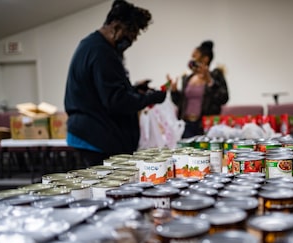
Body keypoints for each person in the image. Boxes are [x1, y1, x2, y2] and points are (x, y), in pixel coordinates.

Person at [64, 0, 166, 167]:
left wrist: (133, 90)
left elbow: (101, 91)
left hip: (89, 133)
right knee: (105, 189)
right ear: (116, 27)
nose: (131, 41)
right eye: (130, 35)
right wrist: (151, 98)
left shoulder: (91, 45)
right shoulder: (102, 53)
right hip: (96, 138)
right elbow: (115, 101)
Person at [169, 40, 229, 138]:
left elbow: (224, 98)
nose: (192, 60)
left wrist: (210, 81)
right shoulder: (188, 77)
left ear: (205, 59)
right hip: (186, 125)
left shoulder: (215, 75)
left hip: (205, 126)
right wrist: (174, 91)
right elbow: (180, 103)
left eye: (195, 56)